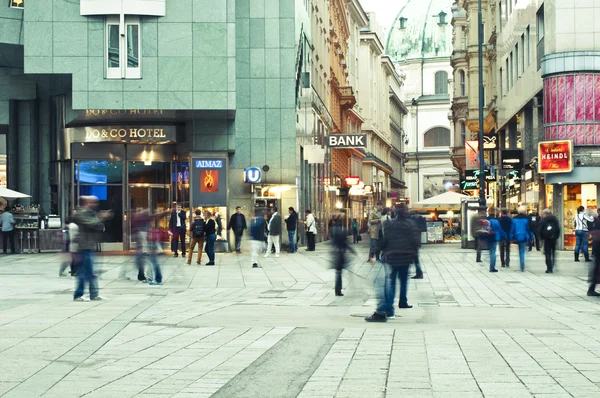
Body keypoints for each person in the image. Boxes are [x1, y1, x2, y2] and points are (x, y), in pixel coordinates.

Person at [365, 204, 420, 322]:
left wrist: (376, 250)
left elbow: (385, 240)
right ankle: (402, 302)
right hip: (406, 259)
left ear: (395, 213)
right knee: (403, 282)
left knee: (390, 285)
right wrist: (416, 263)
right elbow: (416, 244)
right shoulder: (411, 225)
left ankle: (387, 311)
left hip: (393, 258)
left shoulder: (390, 224)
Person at [72, 196, 111, 301]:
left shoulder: (90, 213)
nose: (95, 204)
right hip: (84, 246)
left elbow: (98, 226)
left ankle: (93, 294)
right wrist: (101, 217)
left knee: (90, 272)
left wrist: (99, 219)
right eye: (92, 202)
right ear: (86, 203)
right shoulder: (81, 213)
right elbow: (92, 224)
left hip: (90, 246)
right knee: (85, 272)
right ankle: (79, 295)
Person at [331, 216, 356, 296]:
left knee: (338, 272)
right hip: (341, 253)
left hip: (336, 252)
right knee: (340, 272)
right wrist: (352, 250)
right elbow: (345, 242)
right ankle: (338, 290)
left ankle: (337, 290)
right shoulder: (343, 231)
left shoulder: (332, 230)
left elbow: (332, 242)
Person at [510, 206, 534, 272]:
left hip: (517, 236)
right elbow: (529, 229)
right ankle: (522, 265)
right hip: (525, 236)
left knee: (521, 250)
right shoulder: (527, 219)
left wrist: (511, 237)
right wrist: (531, 237)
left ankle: (522, 264)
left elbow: (512, 229)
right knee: (523, 250)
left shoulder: (514, 219)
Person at [539, 208, 560, 274]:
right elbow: (558, 229)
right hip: (553, 238)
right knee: (553, 252)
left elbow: (540, 230)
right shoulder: (555, 220)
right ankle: (553, 264)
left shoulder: (543, 221)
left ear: (545, 214)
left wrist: (541, 238)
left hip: (546, 239)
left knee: (547, 253)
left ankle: (549, 268)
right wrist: (556, 236)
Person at [487, 208, 508, 273]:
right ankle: (492, 267)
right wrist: (505, 236)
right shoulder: (496, 221)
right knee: (493, 252)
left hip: (486, 237)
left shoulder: (486, 220)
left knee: (489, 251)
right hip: (493, 237)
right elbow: (500, 230)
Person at [411, 211, 426, 279]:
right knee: (415, 259)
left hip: (414, 242)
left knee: (415, 259)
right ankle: (419, 273)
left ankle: (419, 273)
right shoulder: (412, 220)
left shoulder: (419, 220)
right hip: (414, 241)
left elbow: (424, 228)